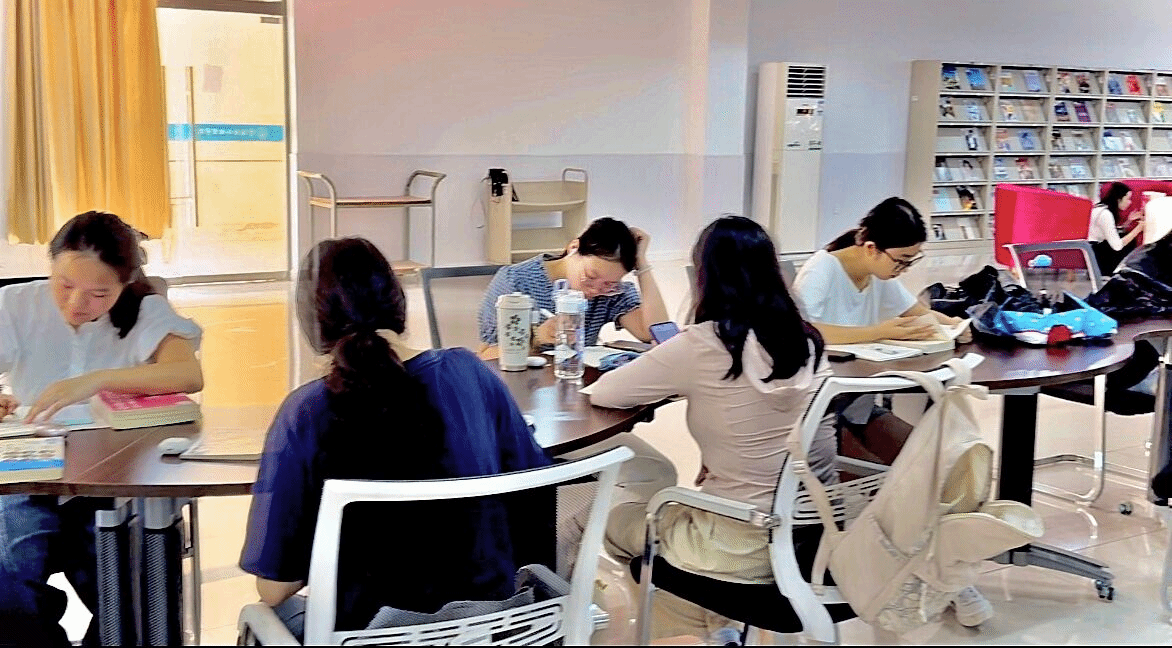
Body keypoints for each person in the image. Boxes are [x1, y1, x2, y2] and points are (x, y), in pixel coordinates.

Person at [239, 237, 554, 640]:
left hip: (370, 634)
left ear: (311, 322)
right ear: (398, 303)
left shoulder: (304, 412)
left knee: (265, 616)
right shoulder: (469, 373)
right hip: (488, 626)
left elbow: (274, 587)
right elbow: (533, 487)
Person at [588, 215, 836, 642]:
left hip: (735, 545)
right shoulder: (809, 343)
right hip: (814, 543)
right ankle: (712, 628)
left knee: (614, 523)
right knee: (678, 528)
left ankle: (674, 631)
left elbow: (605, 393)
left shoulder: (704, 343)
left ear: (705, 277)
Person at [0, 211, 204, 645]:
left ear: (124, 284)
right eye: (64, 285)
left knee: (122, 575)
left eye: (98, 293)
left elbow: (188, 374)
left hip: (116, 474)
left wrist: (95, 381)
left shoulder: (145, 309)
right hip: (32, 473)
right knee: (11, 567)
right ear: (50, 265)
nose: (76, 304)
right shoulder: (16, 305)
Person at [792, 197, 992, 628]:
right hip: (820, 414)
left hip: (859, 403)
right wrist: (879, 331)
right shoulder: (821, 271)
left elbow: (917, 313)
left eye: (911, 261)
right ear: (870, 247)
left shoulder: (879, 274)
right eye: (901, 261)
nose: (904, 270)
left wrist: (951, 327)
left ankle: (946, 578)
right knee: (893, 488)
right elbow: (803, 332)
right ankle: (905, 580)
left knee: (934, 467)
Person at [477, 216, 669, 357]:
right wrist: (537, 337)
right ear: (574, 248)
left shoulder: (610, 293)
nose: (595, 291)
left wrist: (642, 264)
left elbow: (655, 332)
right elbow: (486, 356)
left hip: (577, 386)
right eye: (590, 276)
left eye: (609, 284)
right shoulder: (516, 281)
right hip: (522, 390)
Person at [1089, 181, 1143, 276]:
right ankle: (1119, 272)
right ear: (1119, 199)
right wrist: (1138, 229)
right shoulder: (1105, 214)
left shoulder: (1101, 208)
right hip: (1097, 254)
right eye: (1128, 199)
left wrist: (1128, 221)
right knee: (1130, 242)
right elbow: (1117, 246)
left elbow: (1109, 231)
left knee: (1126, 235)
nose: (1129, 202)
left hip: (1095, 248)